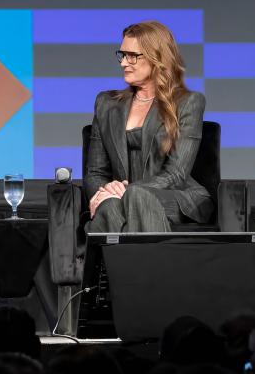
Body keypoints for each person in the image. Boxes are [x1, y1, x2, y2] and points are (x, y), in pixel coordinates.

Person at [85, 21, 212, 232]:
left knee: (135, 198)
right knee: (110, 206)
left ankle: (98, 263)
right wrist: (104, 191)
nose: (124, 63)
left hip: (175, 197)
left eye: (132, 56)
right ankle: (140, 265)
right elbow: (95, 172)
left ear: (157, 58)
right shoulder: (106, 104)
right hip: (120, 198)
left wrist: (126, 191)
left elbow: (176, 174)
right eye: (122, 54)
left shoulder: (189, 102)